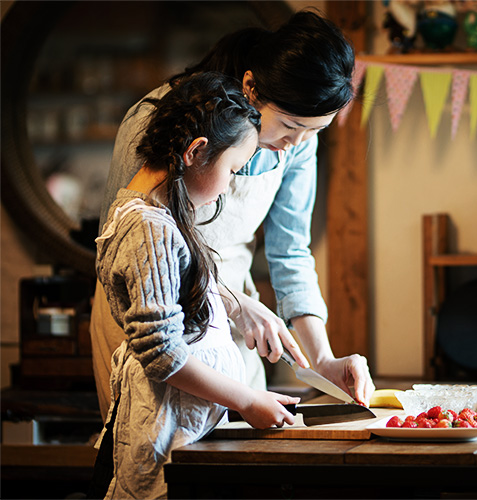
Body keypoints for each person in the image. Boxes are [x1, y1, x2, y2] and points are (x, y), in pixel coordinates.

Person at [90, 10, 375, 420]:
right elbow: (122, 240)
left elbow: (291, 252)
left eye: (314, 132)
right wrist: (234, 302)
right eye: (291, 125)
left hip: (229, 324)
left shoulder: (297, 143)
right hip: (148, 317)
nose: (297, 144)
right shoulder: (160, 118)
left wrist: (323, 360)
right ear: (250, 87)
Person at [90, 72, 299, 500]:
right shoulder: (150, 228)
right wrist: (246, 399)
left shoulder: (147, 213)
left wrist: (239, 305)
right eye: (233, 169)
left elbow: (172, 284)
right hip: (165, 439)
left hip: (184, 431)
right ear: (196, 151)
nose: (228, 186)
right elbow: (163, 353)